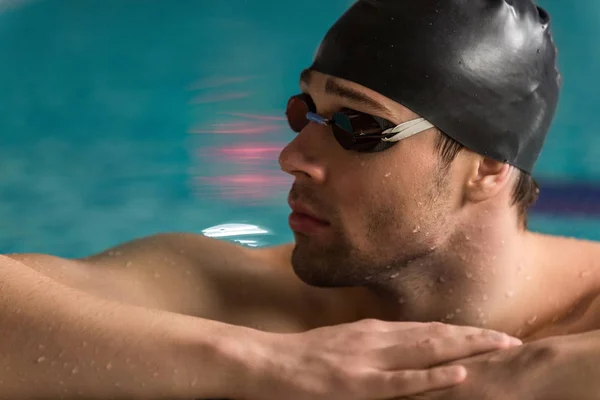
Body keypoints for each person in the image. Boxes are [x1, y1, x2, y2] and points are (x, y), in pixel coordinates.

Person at [3, 0, 600, 399]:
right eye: (305, 111)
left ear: (490, 165)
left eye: (358, 126)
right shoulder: (231, 297)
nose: (292, 157)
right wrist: (263, 365)